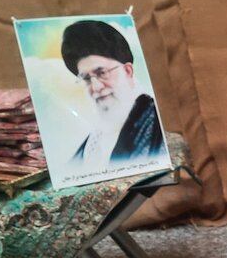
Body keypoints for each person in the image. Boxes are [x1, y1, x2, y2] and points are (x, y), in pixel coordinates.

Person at [60, 20, 165, 166]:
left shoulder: (157, 123)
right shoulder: (89, 145)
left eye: (102, 73)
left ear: (127, 71)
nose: (96, 87)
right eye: (87, 79)